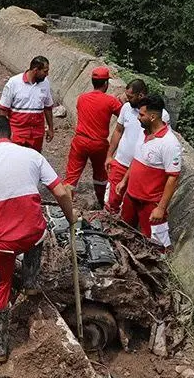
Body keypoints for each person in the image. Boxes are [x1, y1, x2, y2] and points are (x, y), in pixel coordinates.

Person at [0, 115, 76, 362]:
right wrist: (71, 219)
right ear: (10, 134)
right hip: (31, 234)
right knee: (39, 236)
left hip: (0, 243)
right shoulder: (32, 156)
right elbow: (61, 192)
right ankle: (30, 282)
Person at [115, 94, 182, 249]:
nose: (138, 118)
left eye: (141, 115)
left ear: (152, 117)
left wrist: (160, 208)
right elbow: (136, 159)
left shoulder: (169, 144)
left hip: (150, 203)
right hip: (131, 197)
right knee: (123, 232)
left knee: (156, 245)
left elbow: (173, 178)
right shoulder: (143, 132)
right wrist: (124, 181)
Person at [106, 79, 170, 212]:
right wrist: (109, 156)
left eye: (130, 97)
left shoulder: (161, 116)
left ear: (140, 95)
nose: (126, 99)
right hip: (121, 162)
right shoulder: (126, 108)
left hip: (140, 167)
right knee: (113, 199)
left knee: (132, 205)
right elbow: (118, 131)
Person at [64, 67, 123, 207]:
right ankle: (102, 203)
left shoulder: (82, 98)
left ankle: (66, 205)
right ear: (106, 84)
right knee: (101, 175)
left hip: (80, 140)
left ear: (92, 81)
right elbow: (124, 115)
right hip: (99, 144)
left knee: (71, 175)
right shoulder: (111, 101)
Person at [0, 56, 55, 151]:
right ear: (36, 70)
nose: (47, 74)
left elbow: (48, 108)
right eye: (45, 71)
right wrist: (2, 135)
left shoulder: (45, 83)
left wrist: (51, 129)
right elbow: (3, 110)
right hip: (17, 134)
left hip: (37, 135)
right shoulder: (13, 83)